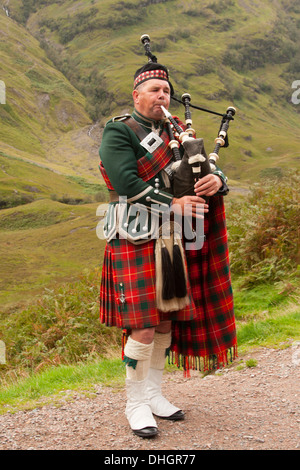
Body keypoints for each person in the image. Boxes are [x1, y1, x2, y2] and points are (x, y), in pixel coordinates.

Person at [98, 62, 237, 438]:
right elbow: (125, 181)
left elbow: (202, 166)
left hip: (172, 236)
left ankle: (155, 394)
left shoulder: (177, 129)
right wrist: (173, 204)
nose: (162, 96)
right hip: (134, 233)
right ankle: (135, 403)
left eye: (166, 91)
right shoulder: (119, 131)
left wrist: (216, 179)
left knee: (164, 319)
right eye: (154, 89)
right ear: (136, 95)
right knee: (142, 326)